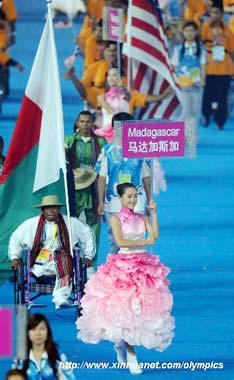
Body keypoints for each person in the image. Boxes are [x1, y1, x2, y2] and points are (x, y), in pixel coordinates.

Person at [77, 182, 175, 375]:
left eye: (135, 196)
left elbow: (154, 236)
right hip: (122, 266)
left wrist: (153, 213)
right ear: (120, 198)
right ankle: (131, 354)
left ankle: (123, 345)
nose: (132, 199)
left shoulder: (142, 216)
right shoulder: (115, 218)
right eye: (128, 196)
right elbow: (121, 241)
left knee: (141, 310)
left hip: (144, 267)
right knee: (127, 311)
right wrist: (144, 241)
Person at [8, 195, 96, 309]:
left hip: (64, 261)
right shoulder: (31, 224)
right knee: (57, 263)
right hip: (40, 264)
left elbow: (88, 233)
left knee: (64, 261)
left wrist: (88, 256)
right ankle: (60, 295)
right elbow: (15, 238)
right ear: (42, 210)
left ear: (59, 209)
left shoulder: (70, 222)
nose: (51, 210)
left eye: (54, 207)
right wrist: (15, 257)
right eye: (48, 208)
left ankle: (61, 298)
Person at [95, 112, 152, 253]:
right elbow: (101, 177)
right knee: (115, 241)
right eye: (118, 128)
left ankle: (137, 272)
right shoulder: (107, 150)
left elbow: (146, 177)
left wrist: (149, 200)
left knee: (137, 238)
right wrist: (101, 201)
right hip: (113, 200)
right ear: (113, 129)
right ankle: (113, 272)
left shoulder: (141, 148)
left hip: (136, 200)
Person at [65, 111, 106, 254]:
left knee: (94, 223)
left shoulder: (101, 142)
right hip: (74, 188)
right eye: (82, 121)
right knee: (71, 221)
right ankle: (72, 257)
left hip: (94, 188)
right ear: (77, 123)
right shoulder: (69, 140)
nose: (85, 124)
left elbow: (105, 165)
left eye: (88, 121)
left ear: (92, 123)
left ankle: (90, 259)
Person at [201, 1, 234, 129]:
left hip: (225, 69)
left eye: (217, 13)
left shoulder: (227, 30)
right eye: (212, 12)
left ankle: (220, 121)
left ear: (222, 14)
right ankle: (206, 116)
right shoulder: (205, 27)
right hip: (208, 67)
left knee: (222, 97)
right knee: (207, 95)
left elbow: (231, 51)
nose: (214, 15)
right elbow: (199, 44)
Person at [14, 313, 76, 379]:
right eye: (34, 329)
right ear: (27, 333)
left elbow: (70, 377)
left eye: (42, 329)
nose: (38, 333)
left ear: (48, 332)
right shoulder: (20, 358)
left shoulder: (58, 356)